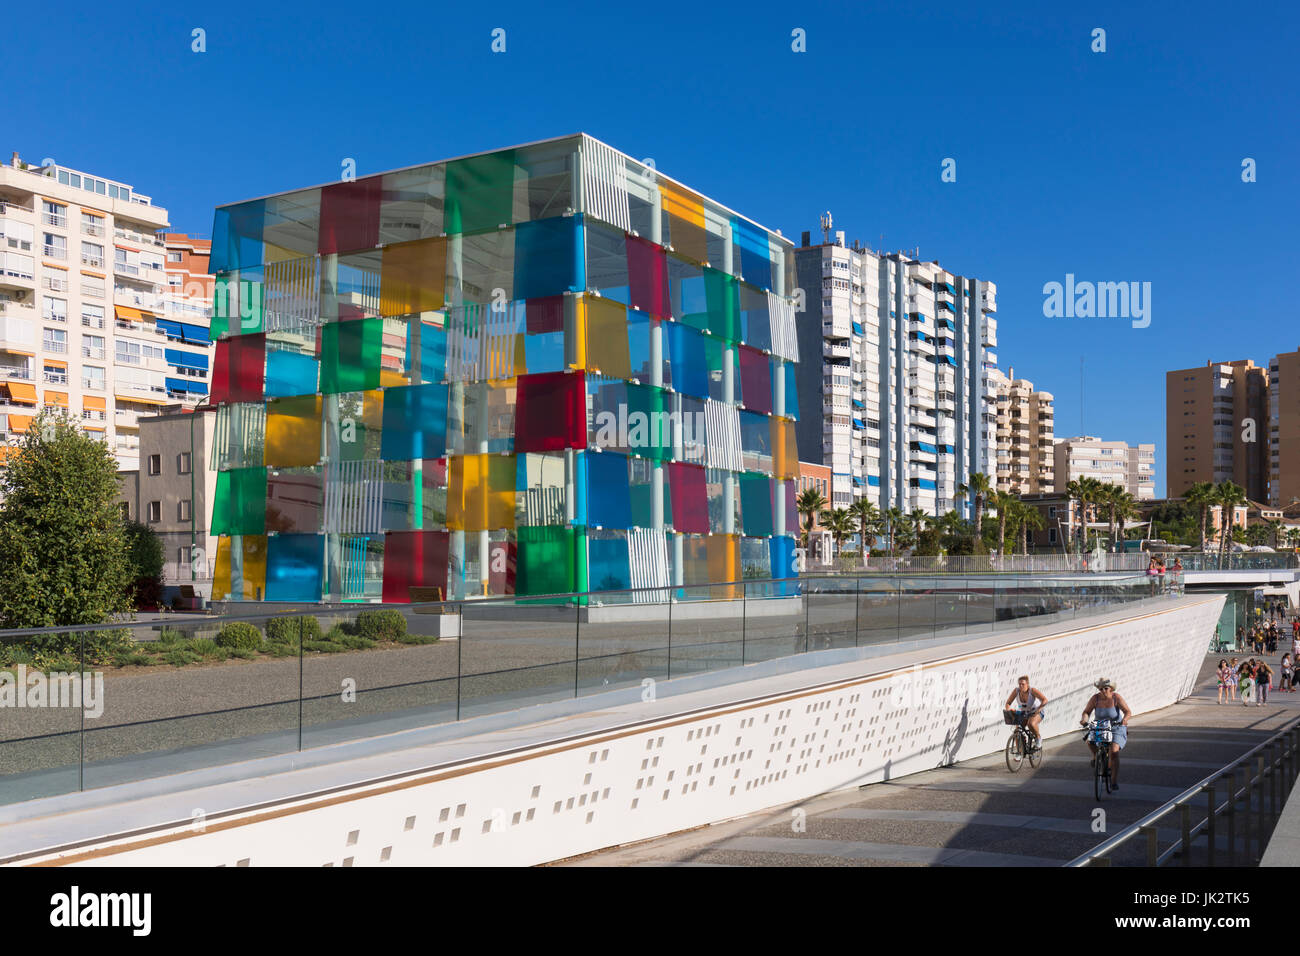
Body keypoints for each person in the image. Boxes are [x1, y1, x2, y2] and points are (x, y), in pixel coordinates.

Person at [1081, 678, 1131, 790]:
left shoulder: (1116, 697)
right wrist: (1084, 719)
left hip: (1116, 727)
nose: (1103, 690)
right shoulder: (1095, 698)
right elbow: (1086, 712)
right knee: (1090, 742)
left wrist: (1124, 720)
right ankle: (1095, 756)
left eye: (1106, 688)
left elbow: (1127, 711)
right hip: (1101, 726)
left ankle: (1113, 781)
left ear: (1111, 688)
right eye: (1100, 689)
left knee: (1114, 751)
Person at [1004, 675, 1048, 750]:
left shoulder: (1032, 690)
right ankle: (1019, 752)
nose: (1021, 686)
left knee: (1031, 723)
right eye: (1019, 684)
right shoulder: (1016, 691)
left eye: (1023, 684)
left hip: (1036, 712)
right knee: (1017, 731)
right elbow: (1008, 703)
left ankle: (1038, 738)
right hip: (1025, 713)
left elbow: (1045, 700)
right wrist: (1009, 709)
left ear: (1027, 684)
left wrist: (1039, 709)